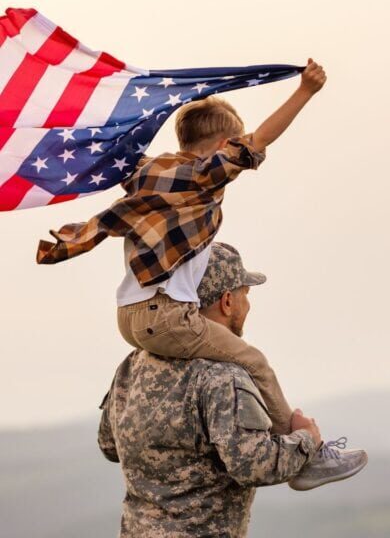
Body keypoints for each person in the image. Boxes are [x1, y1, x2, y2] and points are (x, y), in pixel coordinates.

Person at [38, 59, 326, 437]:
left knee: (200, 348)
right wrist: (305, 91)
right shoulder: (203, 176)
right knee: (254, 362)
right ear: (225, 146)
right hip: (166, 314)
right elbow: (259, 141)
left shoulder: (148, 170)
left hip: (129, 315)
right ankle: (301, 445)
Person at [98, 243, 368, 538]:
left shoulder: (133, 364)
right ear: (227, 302)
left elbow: (109, 445)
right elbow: (253, 464)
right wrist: (306, 439)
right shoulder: (222, 377)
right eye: (245, 295)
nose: (248, 305)